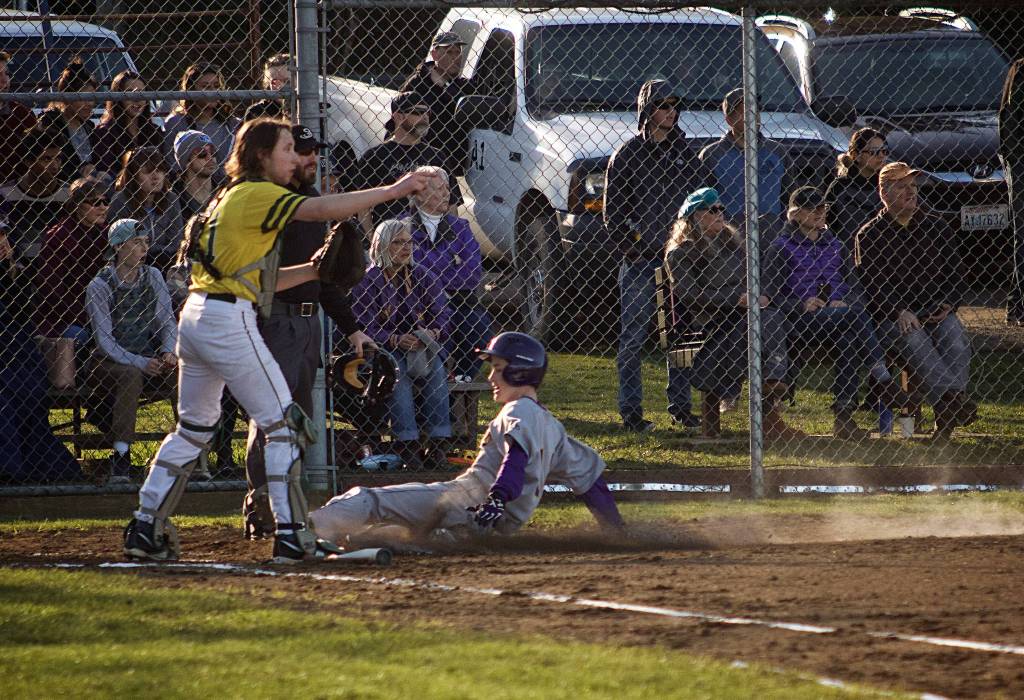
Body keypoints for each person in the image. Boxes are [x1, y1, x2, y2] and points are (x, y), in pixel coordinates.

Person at [122, 116, 437, 564]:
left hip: (198, 315)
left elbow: (259, 278)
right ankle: (291, 533)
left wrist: (313, 270)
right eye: (287, 149)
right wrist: (395, 189)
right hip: (227, 319)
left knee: (193, 428)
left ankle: (145, 524)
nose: (295, 158)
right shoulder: (256, 191)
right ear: (260, 156)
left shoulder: (231, 195)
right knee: (284, 424)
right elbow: (322, 209)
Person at [308, 332, 624, 545]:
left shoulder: (519, 411)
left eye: (498, 368)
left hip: (470, 501)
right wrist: (617, 532)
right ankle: (371, 540)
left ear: (520, 372)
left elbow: (515, 458)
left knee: (368, 498)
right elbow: (591, 481)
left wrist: (498, 497)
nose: (491, 377)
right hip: (492, 525)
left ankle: (308, 528)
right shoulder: (552, 427)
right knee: (408, 533)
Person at [242, 124, 375, 540]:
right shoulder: (269, 202)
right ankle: (261, 503)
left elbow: (326, 278)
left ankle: (286, 504)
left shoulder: (314, 203)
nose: (311, 159)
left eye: (315, 152)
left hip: (308, 322)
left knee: (297, 418)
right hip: (272, 318)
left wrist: (352, 328)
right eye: (301, 152)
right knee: (272, 417)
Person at [603, 79, 714, 431]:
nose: (671, 111)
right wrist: (632, 246)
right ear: (647, 110)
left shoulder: (687, 154)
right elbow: (613, 213)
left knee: (682, 335)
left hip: (680, 259)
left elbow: (702, 201)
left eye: (674, 105)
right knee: (634, 337)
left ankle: (681, 408)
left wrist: (693, 244)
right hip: (640, 260)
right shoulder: (627, 155)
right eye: (663, 105)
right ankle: (631, 413)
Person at [763, 186, 911, 439]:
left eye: (824, 208)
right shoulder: (781, 247)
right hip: (799, 321)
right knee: (854, 320)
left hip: (838, 319)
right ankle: (884, 381)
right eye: (813, 209)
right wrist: (801, 303)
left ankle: (843, 417)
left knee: (850, 336)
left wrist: (843, 301)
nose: (821, 213)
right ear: (796, 215)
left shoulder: (836, 244)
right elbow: (770, 295)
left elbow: (855, 287)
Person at [666, 187, 803, 442]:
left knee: (774, 315)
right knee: (768, 320)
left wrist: (760, 295)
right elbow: (690, 295)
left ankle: (772, 394)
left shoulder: (733, 243)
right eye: (712, 209)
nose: (720, 213)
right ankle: (774, 380)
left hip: (744, 319)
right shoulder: (681, 253)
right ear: (695, 217)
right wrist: (734, 299)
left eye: (721, 208)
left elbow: (755, 279)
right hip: (709, 328)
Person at [855, 162, 976, 440]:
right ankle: (952, 405)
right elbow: (872, 287)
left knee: (956, 339)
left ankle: (947, 411)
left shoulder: (936, 226)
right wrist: (898, 311)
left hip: (936, 312)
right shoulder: (870, 235)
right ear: (883, 193)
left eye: (913, 186)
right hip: (893, 319)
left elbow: (957, 274)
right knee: (915, 341)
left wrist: (949, 303)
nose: (911, 192)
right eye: (901, 187)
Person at [350, 218, 453, 470]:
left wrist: (428, 333)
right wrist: (394, 339)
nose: (406, 248)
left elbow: (443, 317)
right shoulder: (368, 280)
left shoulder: (422, 276)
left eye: (409, 242)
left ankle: (438, 443)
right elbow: (362, 326)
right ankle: (407, 445)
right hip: (380, 351)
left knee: (436, 370)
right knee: (398, 371)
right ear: (382, 246)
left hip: (420, 348)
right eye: (398, 242)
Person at [85, 219, 178, 484]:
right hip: (108, 361)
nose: (143, 248)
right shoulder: (100, 285)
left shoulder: (154, 276)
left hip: (149, 356)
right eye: (136, 242)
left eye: (145, 242)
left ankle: (189, 448)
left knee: (182, 371)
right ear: (117, 246)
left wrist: (168, 351)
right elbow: (104, 341)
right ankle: (121, 455)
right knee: (130, 376)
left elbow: (166, 320)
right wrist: (139, 362)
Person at [0, 209, 82, 485]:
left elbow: (24, 320)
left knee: (28, 392)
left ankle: (21, 466)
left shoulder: (17, 276)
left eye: (4, 236)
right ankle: (10, 469)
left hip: (16, 354)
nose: (2, 242)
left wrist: (10, 270)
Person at [402, 165, 491, 381]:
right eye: (440, 189)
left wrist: (430, 273)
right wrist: (450, 263)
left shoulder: (460, 227)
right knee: (437, 330)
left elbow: (472, 274)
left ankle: (461, 377)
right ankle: (437, 384)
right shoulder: (402, 227)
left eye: (447, 189)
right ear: (420, 193)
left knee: (479, 326)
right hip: (418, 305)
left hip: (458, 302)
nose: (447, 195)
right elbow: (410, 272)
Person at [354, 92, 454, 236]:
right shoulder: (375, 156)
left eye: (427, 112)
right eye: (418, 112)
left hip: (430, 242)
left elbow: (451, 205)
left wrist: (450, 241)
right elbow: (363, 208)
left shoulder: (437, 156)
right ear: (398, 117)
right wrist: (373, 241)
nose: (425, 117)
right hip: (391, 240)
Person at [34, 177, 110, 345]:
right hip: (64, 317)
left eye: (106, 201)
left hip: (101, 310)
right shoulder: (58, 236)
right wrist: (89, 316)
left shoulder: (106, 234)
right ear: (77, 205)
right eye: (95, 203)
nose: (103, 208)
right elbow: (53, 290)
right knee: (80, 336)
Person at [698, 88, 788, 223]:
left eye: (755, 110)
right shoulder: (712, 155)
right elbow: (702, 202)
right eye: (744, 112)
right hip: (728, 238)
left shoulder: (778, 152)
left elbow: (789, 198)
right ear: (729, 120)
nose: (752, 116)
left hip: (772, 237)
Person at [400, 31, 478, 179]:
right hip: (418, 161)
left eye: (458, 52)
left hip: (450, 164)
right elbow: (397, 120)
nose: (455, 57)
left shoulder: (463, 86)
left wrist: (445, 85)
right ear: (434, 54)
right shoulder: (417, 84)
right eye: (449, 52)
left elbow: (469, 109)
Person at [0, 127, 69, 275]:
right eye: (46, 159)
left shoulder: (68, 194)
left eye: (58, 158)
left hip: (58, 269)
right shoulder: (5, 193)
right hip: (14, 270)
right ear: (29, 161)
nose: (55, 166)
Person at [107, 146, 184, 271]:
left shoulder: (171, 199)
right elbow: (124, 246)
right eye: (148, 171)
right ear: (134, 176)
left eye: (159, 170)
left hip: (166, 263)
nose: (155, 176)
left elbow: (176, 242)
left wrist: (153, 251)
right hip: (131, 266)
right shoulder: (121, 201)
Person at [162, 63, 241, 173]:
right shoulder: (176, 123)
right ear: (191, 89)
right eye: (206, 87)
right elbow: (172, 164)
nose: (213, 91)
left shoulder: (233, 124)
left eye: (217, 86)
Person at [824, 127, 888, 249]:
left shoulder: (888, 184)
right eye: (873, 152)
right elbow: (827, 225)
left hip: (885, 254)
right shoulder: (841, 186)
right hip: (847, 255)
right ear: (856, 155)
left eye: (884, 151)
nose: (881, 156)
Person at [92, 70, 163, 179]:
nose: (137, 99)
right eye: (130, 92)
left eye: (141, 93)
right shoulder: (105, 132)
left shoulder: (154, 131)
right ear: (118, 96)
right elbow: (105, 173)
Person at [38, 57, 98, 183]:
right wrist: (80, 172)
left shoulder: (88, 126)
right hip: (63, 184)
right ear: (67, 97)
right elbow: (52, 164)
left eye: (92, 98)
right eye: (83, 98)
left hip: (90, 183)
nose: (90, 104)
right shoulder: (50, 123)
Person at [999, 58, 1024, 327]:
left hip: (1016, 158)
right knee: (1023, 232)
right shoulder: (1021, 70)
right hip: (1019, 160)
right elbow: (1012, 120)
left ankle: (1017, 303)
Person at [0, 50, 38, 186]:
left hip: (17, 189)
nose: (5, 80)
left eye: (7, 74)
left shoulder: (22, 113)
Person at [171, 130, 220, 224]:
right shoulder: (174, 200)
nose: (210, 158)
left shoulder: (224, 190)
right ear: (187, 162)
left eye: (213, 152)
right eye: (202, 153)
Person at [243, 53, 291, 122]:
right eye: (274, 82)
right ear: (268, 83)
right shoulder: (257, 112)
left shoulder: (306, 104)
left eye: (286, 81)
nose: (281, 86)